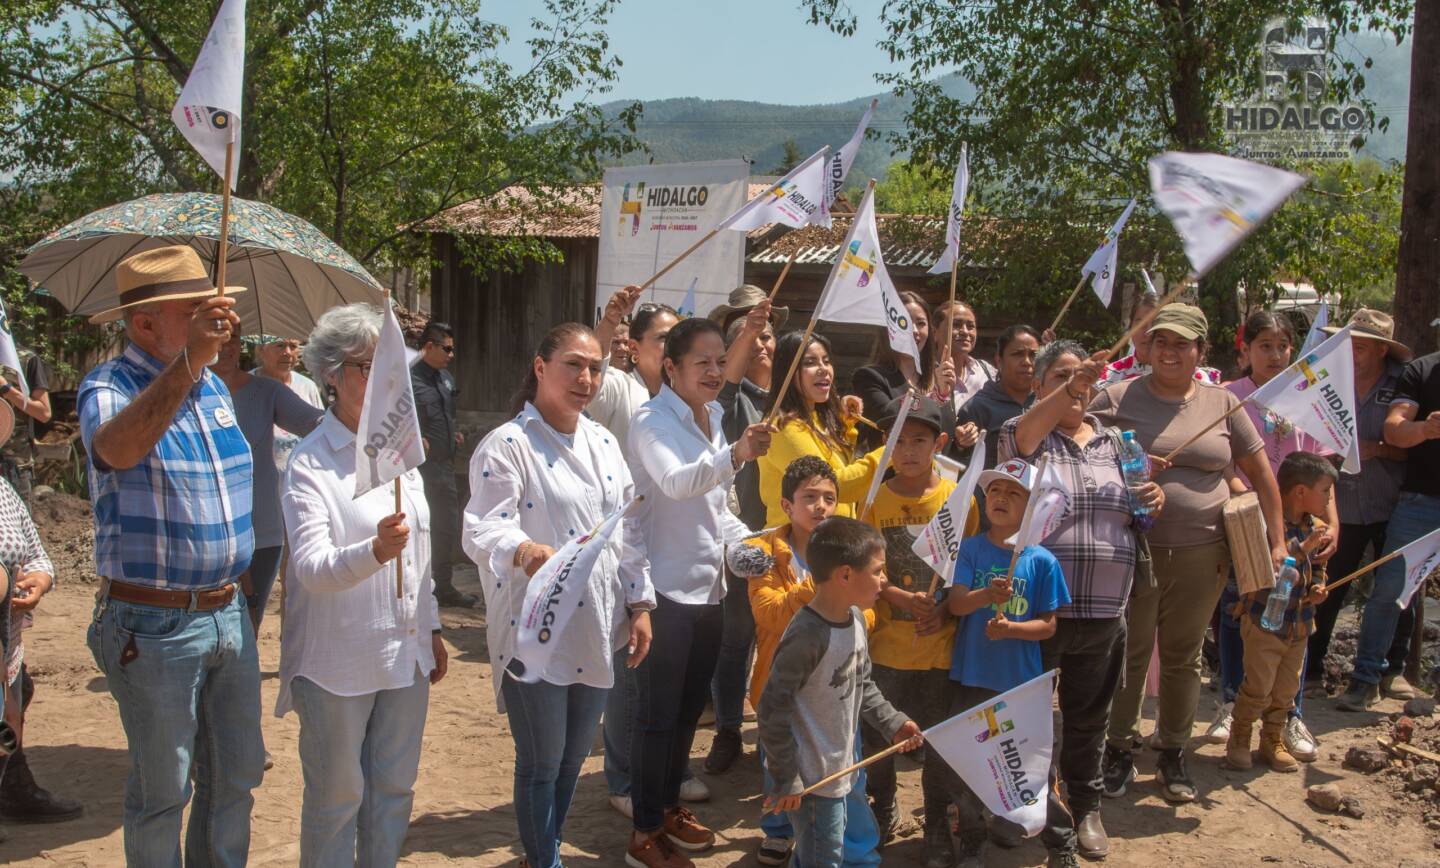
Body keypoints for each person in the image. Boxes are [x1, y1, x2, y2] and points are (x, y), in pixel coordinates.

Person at [78, 245, 263, 865]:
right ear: (145, 323)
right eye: (197, 307)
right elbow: (117, 449)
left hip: (227, 610)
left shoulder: (213, 385)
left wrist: (195, 364)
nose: (218, 314)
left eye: (219, 305)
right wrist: (188, 363)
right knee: (164, 791)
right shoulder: (106, 384)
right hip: (151, 622)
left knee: (234, 779)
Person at [463, 322, 656, 868]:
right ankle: (544, 858)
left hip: (596, 623)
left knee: (572, 759)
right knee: (542, 759)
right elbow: (481, 526)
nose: (586, 378)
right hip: (534, 626)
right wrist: (523, 549)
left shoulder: (602, 440)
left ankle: (539, 851)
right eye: (573, 364)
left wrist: (640, 604)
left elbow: (628, 528)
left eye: (595, 367)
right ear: (541, 367)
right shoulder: (508, 445)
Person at [1091, 303, 1285, 805]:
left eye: (1182, 343)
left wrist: (1278, 540)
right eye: (1161, 342)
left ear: (1200, 350)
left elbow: (1262, 474)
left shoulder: (1222, 404)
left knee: (1183, 656)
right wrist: (1122, 468)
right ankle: (1117, 750)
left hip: (1205, 552)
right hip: (1134, 550)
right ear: (1147, 348)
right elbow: (1074, 448)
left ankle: (1174, 751)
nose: (1170, 351)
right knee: (1130, 654)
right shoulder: (1115, 397)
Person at [275, 304, 447, 865]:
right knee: (336, 799)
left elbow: (420, 555)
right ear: (331, 375)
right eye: (364, 367)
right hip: (335, 662)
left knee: (393, 793)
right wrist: (373, 550)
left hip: (404, 654)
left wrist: (433, 627)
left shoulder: (403, 457)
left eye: (388, 368)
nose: (378, 382)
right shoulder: (310, 463)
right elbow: (312, 568)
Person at [1000, 339, 1163, 864]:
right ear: (1041, 386)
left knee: (1089, 717)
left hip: (1104, 607)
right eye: (1061, 378)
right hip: (1037, 611)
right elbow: (1023, 438)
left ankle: (1085, 805)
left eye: (1082, 379)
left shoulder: (1117, 444)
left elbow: (1139, 515)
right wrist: (1071, 383)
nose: (1076, 386)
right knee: (1029, 716)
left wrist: (1152, 501)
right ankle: (1032, 805)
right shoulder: (1023, 435)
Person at [624, 317, 772, 868]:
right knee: (656, 717)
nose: (714, 372)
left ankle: (666, 808)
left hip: (709, 591)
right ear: (671, 367)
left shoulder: (709, 418)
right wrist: (735, 454)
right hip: (662, 591)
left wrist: (750, 546)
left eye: (719, 361)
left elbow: (719, 511)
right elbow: (678, 483)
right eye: (702, 362)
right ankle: (642, 833)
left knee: (688, 713)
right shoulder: (651, 422)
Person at [731, 456, 883, 867]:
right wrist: (820, 587)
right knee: (780, 765)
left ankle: (858, 852)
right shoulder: (764, 553)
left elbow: (865, 615)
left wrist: (840, 596)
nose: (821, 507)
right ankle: (779, 831)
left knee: (846, 779)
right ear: (786, 505)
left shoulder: (847, 551)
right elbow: (770, 614)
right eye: (810, 497)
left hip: (834, 694)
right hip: (781, 691)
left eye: (830, 498)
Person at [590, 290, 708, 812]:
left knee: (669, 689)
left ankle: (667, 776)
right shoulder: (621, 390)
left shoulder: (694, 408)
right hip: (626, 548)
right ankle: (622, 780)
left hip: (674, 556)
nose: (668, 347)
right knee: (630, 669)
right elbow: (586, 376)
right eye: (660, 338)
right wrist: (608, 320)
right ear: (634, 347)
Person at [1206, 311, 1336, 762]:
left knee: (1295, 616)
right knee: (1238, 609)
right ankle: (1231, 703)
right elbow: (1222, 458)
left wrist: (1331, 521)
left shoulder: (1308, 394)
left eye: (1283, 346)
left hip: (1300, 530)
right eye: (1265, 346)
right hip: (1245, 523)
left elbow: (1323, 468)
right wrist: (1247, 495)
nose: (1275, 355)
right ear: (1245, 351)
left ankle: (1287, 715)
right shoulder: (1228, 397)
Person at [758, 516, 923, 868]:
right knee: (824, 858)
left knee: (816, 853)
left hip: (839, 770)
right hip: (812, 781)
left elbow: (861, 683)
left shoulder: (857, 619)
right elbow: (772, 709)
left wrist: (893, 722)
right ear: (845, 575)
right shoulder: (807, 635)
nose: (884, 580)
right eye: (878, 571)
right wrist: (787, 776)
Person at [860, 396, 976, 867]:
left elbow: (967, 570)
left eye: (919, 441)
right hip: (885, 649)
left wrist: (946, 607)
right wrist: (897, 597)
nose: (907, 451)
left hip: (940, 651)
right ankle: (882, 810)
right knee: (878, 741)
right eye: (898, 441)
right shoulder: (873, 501)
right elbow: (866, 573)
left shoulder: (958, 500)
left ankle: (934, 828)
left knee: (940, 748)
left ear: (940, 443)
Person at [944, 458, 1070, 867]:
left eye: (1014, 493)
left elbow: (1049, 626)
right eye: (995, 490)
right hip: (973, 680)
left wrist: (1012, 629)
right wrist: (986, 595)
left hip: (1022, 686)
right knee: (972, 770)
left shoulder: (1041, 560)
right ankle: (974, 841)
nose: (1001, 498)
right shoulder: (971, 549)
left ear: (1031, 506)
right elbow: (958, 604)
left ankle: (1060, 844)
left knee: (1035, 773)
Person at [1308, 310, 1410, 691]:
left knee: (1397, 588)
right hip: (1340, 504)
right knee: (1327, 586)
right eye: (1348, 344)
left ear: (1382, 350)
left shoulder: (1404, 385)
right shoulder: (1327, 381)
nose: (1352, 353)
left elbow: (1417, 446)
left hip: (1390, 501)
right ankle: (1312, 667)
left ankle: (1391, 671)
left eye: (1361, 347)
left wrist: (1379, 449)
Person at [1340, 343, 1440, 711]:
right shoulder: (1422, 371)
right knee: (1389, 591)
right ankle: (1366, 679)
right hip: (1421, 500)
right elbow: (1394, 429)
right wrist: (1426, 429)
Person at [1225, 452, 1333, 773]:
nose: (1328, 498)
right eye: (1325, 491)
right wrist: (1302, 549)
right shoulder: (1266, 524)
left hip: (1298, 625)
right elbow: (1263, 568)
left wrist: (1318, 590)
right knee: (1257, 685)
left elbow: (1319, 571)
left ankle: (1272, 739)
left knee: (1286, 690)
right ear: (1301, 491)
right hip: (1263, 621)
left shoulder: (1317, 528)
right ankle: (1240, 736)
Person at [708, 294, 779, 775]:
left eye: (766, 334)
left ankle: (776, 734)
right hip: (744, 539)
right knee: (736, 640)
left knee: (783, 637)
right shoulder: (726, 401)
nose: (759, 343)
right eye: (745, 336)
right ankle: (728, 731)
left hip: (790, 539)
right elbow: (727, 385)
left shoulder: (789, 395)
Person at [0, 406, 80, 827]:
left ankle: (13, 787)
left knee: (15, 702)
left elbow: (38, 553)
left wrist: (39, 581)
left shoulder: (4, 490)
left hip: (7, 637)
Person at [209, 331, 323, 628]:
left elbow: (318, 424)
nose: (226, 345)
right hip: (205, 531)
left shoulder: (267, 392)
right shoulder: (181, 392)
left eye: (232, 336)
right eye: (216, 334)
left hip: (261, 527)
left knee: (249, 619)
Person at [757, 331, 882, 528]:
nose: (824, 369)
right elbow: (833, 486)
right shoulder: (782, 426)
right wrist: (888, 452)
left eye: (826, 361)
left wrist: (844, 425)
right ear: (787, 371)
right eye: (810, 363)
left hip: (830, 543)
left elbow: (839, 467)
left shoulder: (817, 417)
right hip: (796, 551)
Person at [411, 319, 476, 609]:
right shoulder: (409, 379)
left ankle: (444, 586)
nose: (451, 355)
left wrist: (455, 433)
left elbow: (447, 414)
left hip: (445, 467)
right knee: (419, 526)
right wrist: (416, 438)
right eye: (446, 349)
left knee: (446, 525)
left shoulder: (446, 379)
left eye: (452, 349)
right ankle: (419, 586)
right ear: (428, 347)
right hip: (418, 470)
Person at [852, 292, 950, 448]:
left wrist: (962, 440)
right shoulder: (870, 378)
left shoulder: (940, 375)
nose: (914, 331)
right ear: (888, 329)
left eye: (921, 323)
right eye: (904, 323)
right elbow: (900, 427)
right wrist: (939, 396)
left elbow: (946, 431)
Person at [590, 288, 679, 456]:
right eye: (664, 338)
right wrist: (609, 321)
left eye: (677, 339)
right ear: (634, 348)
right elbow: (591, 379)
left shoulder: (685, 397)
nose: (673, 347)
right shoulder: (618, 386)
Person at [954, 324, 1039, 471]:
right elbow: (959, 467)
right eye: (1018, 354)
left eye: (1033, 355)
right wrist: (961, 444)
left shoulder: (1048, 404)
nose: (1027, 362)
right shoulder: (977, 408)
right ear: (999, 361)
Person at [1101, 293, 1221, 386]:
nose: (1148, 332)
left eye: (1154, 323)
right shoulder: (1108, 376)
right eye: (1140, 323)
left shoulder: (1198, 381)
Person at [0, 350, 53, 504]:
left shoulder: (25, 360)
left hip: (14, 468)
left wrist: (6, 389)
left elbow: (44, 413)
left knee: (16, 527)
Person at [254, 335, 325, 409]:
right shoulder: (245, 386)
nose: (288, 353)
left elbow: (321, 419)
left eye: (293, 346)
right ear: (261, 350)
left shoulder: (307, 386)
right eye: (280, 345)